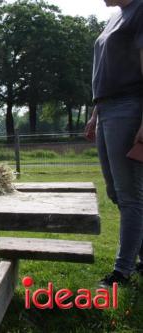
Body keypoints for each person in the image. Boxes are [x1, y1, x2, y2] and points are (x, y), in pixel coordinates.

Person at [84, 0, 143, 287]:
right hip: (106, 109)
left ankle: (122, 272)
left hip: (129, 107)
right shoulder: (115, 16)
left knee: (130, 194)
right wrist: (95, 114)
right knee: (116, 192)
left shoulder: (141, 9)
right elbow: (107, 72)